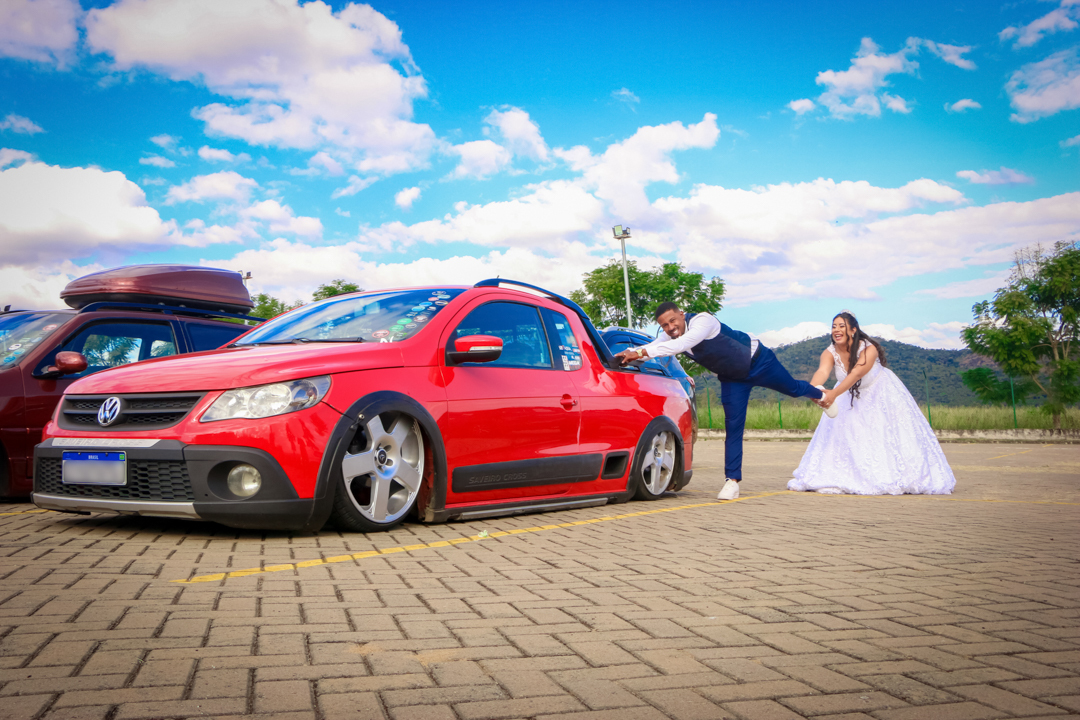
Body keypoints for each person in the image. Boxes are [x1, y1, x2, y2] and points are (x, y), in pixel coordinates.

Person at [614, 302, 824, 500]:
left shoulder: (702, 321)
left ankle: (820, 395)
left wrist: (639, 352)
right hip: (733, 378)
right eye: (664, 326)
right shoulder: (669, 336)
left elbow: (680, 344)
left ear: (681, 314)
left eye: (672, 321)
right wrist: (625, 356)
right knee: (733, 427)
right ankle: (732, 481)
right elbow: (652, 348)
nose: (670, 327)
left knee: (793, 389)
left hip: (759, 361)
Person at [788, 312, 956, 495]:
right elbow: (822, 371)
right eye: (834, 326)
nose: (836, 329)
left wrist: (834, 394)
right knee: (846, 435)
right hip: (847, 395)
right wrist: (813, 391)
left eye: (841, 326)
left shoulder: (869, 348)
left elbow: (857, 373)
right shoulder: (829, 352)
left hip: (880, 393)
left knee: (886, 435)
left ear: (853, 330)